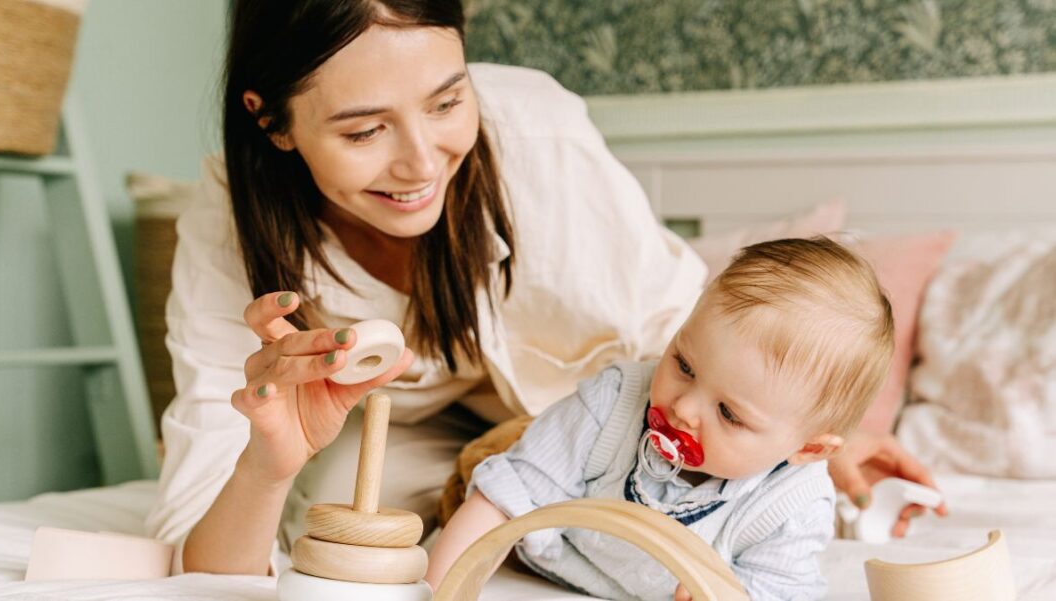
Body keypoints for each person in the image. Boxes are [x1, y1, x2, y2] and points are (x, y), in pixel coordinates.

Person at [147, 0, 946, 578]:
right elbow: (200, 553)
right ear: (272, 121)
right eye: (363, 131)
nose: (423, 164)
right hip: (418, 438)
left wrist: (786, 439)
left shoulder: (541, 139)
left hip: (592, 417)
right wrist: (267, 460)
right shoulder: (232, 224)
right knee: (341, 520)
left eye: (448, 101)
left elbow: (695, 345)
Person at [427, 237, 895, 600]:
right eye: (684, 365)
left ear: (808, 449)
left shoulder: (794, 503)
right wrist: (440, 590)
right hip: (555, 559)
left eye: (729, 414)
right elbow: (502, 501)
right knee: (491, 470)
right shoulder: (615, 401)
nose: (683, 408)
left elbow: (780, 589)